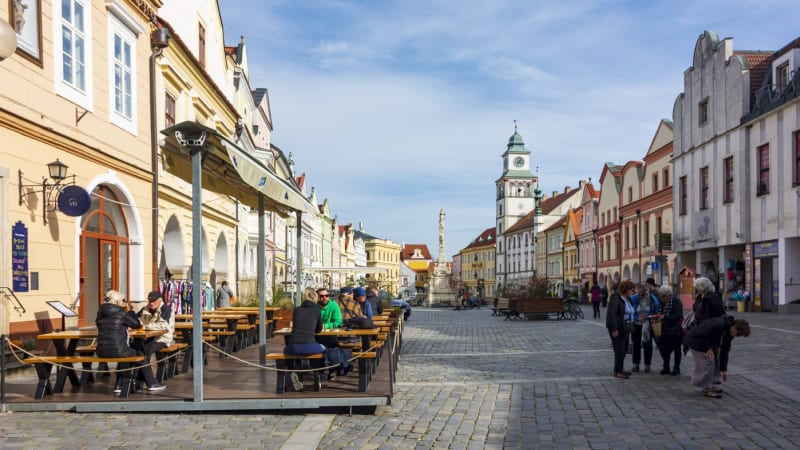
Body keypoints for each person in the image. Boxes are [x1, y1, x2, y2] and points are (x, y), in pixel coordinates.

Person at [96, 290, 165, 393]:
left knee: (125, 354)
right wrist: (131, 311)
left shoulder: (100, 314)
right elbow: (137, 324)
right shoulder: (121, 313)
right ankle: (152, 383)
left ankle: (119, 386)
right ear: (118, 301)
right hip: (118, 350)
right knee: (141, 354)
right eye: (123, 300)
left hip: (101, 350)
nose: (125, 302)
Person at [685, 315, 751, 398]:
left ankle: (708, 385)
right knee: (709, 362)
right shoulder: (719, 324)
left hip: (704, 343)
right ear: (735, 327)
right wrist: (707, 347)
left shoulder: (729, 332)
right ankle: (707, 389)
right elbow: (702, 332)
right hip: (696, 340)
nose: (736, 336)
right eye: (737, 334)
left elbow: (725, 350)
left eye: (738, 335)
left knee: (715, 360)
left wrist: (724, 369)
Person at [283, 288, 326, 391]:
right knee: (323, 348)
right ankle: (317, 372)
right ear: (315, 298)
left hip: (293, 347)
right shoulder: (316, 310)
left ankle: (292, 371)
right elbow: (319, 329)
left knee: (286, 350)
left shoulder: (297, 310)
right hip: (309, 346)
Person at [135, 291, 174, 389]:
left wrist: (144, 326)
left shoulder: (166, 309)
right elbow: (135, 320)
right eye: (150, 300)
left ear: (159, 300)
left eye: (153, 301)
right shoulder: (145, 309)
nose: (151, 303)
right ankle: (147, 382)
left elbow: (163, 325)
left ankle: (141, 382)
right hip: (146, 338)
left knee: (143, 352)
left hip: (162, 338)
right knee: (136, 350)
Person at [606, 279, 636, 379]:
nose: (633, 292)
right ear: (626, 289)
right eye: (632, 290)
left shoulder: (628, 299)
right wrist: (614, 329)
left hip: (625, 327)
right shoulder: (616, 298)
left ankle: (620, 368)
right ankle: (617, 371)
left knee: (624, 349)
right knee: (619, 349)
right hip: (617, 327)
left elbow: (630, 312)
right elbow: (612, 314)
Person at [316, 287, 345, 380]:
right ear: (317, 297)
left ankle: (333, 369)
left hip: (330, 334)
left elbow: (338, 322)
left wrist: (325, 326)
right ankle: (319, 371)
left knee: (332, 345)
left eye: (326, 296)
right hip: (316, 335)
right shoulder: (314, 306)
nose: (324, 298)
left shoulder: (333, 305)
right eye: (321, 296)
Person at [629, 283, 659, 373]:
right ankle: (636, 364)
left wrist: (649, 316)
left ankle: (647, 365)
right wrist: (636, 317)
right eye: (641, 294)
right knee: (636, 344)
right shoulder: (634, 298)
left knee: (647, 344)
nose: (643, 295)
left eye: (645, 293)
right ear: (638, 292)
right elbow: (630, 310)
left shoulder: (652, 298)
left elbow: (656, 310)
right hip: (636, 324)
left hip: (647, 324)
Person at [655, 285, 683, 376]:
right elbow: (659, 312)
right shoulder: (662, 303)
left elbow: (678, 315)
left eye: (663, 296)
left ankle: (676, 368)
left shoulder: (677, 302)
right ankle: (666, 367)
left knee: (676, 349)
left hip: (675, 329)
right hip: (664, 329)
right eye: (660, 296)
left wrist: (665, 317)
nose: (661, 298)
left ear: (668, 295)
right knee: (663, 348)